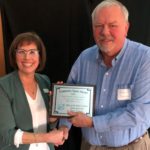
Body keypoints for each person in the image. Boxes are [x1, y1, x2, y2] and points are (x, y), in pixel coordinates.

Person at [59, 0, 150, 149]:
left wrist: (92, 122)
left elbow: (139, 113)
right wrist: (64, 127)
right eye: (98, 26)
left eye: (112, 25)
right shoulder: (84, 58)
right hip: (90, 146)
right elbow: (70, 97)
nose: (105, 32)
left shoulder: (145, 58)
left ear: (126, 28)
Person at [0, 32, 66, 150]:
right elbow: (5, 135)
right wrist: (47, 137)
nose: (27, 57)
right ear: (14, 56)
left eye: (32, 52)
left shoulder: (44, 81)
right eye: (21, 52)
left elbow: (49, 126)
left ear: (40, 56)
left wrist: (53, 115)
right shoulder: (3, 86)